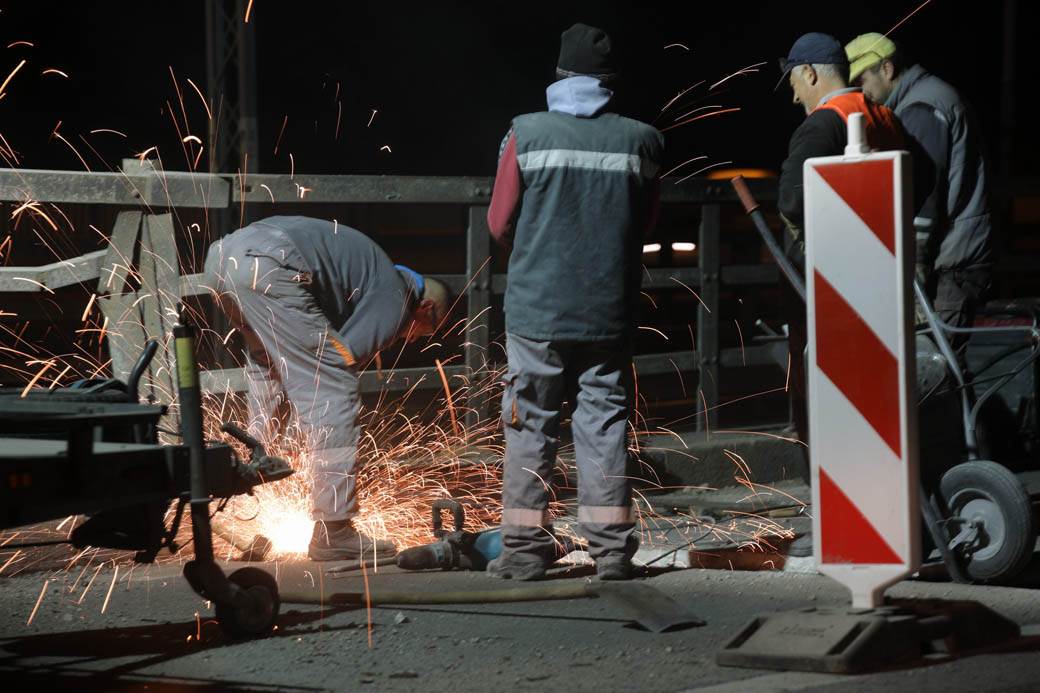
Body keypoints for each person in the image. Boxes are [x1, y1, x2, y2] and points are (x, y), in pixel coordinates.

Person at [485, 23, 663, 581]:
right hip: (608, 309)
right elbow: (645, 225)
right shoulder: (643, 140)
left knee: (530, 426)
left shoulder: (526, 132)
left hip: (537, 311)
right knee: (604, 425)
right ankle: (611, 554)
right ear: (610, 80)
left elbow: (499, 222)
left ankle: (523, 552)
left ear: (559, 75)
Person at [204, 216, 451, 561]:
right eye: (426, 330)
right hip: (272, 266)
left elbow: (304, 369)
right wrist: (304, 432)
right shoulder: (395, 296)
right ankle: (334, 531)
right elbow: (335, 368)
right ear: (426, 308)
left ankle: (246, 475)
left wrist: (296, 432)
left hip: (222, 262)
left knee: (269, 371)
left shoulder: (366, 276)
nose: (413, 338)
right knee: (336, 390)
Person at [776, 32, 905, 444]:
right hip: (885, 277)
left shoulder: (821, 125)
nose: (795, 97)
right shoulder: (884, 116)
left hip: (832, 284)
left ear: (810, 74)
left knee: (829, 389)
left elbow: (791, 200)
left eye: (795, 83)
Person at [846, 32, 993, 346]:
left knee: (933, 365)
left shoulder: (921, 109)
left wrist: (912, 277)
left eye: (862, 80)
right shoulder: (926, 98)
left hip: (952, 262)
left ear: (887, 69)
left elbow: (922, 198)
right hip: (958, 255)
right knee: (941, 363)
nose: (861, 92)